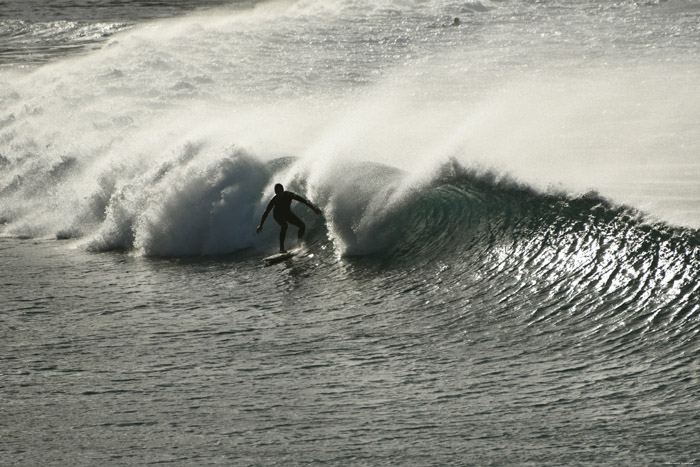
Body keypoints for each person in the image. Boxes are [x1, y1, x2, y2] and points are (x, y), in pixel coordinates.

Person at [257, 183, 322, 253]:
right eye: (276, 192)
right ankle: (281, 249)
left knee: (302, 226)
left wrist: (314, 209)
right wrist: (261, 225)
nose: (278, 194)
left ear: (282, 190)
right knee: (284, 225)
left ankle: (299, 244)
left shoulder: (289, 195)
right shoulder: (274, 200)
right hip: (277, 215)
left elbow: (303, 201)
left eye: (279, 192)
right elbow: (266, 212)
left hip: (287, 213)